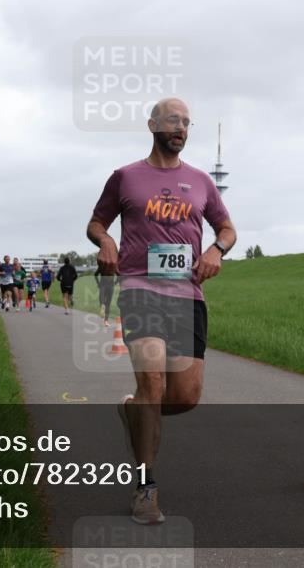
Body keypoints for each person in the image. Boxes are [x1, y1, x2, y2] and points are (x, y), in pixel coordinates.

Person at [87, 97, 236, 525]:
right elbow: (96, 222)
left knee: (184, 397)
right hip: (140, 289)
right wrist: (107, 241)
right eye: (173, 120)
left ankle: (135, 409)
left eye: (187, 123)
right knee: (151, 380)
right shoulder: (125, 177)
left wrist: (215, 249)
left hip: (186, 296)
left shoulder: (202, 182)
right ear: (152, 124)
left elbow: (227, 227)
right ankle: (146, 487)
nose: (181, 128)